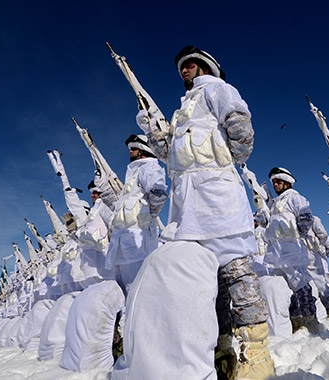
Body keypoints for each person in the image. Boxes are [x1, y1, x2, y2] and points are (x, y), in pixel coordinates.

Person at [128, 45, 274, 379]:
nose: (185, 69)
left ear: (205, 66)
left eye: (191, 64)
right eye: (182, 66)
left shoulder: (218, 89)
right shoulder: (181, 112)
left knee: (236, 273)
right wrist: (154, 127)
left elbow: (240, 130)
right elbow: (168, 155)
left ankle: (258, 354)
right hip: (186, 207)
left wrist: (226, 165)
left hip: (217, 195)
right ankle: (221, 349)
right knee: (207, 282)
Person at [105, 134, 167, 295]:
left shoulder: (149, 167)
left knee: (138, 289)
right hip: (122, 243)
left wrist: (150, 216)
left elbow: (158, 192)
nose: (130, 151)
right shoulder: (133, 172)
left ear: (143, 149)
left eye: (134, 148)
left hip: (138, 240)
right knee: (122, 291)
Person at [261, 167, 319, 332]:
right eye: (274, 182)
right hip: (276, 254)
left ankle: (310, 319)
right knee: (285, 289)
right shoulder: (274, 203)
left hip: (291, 251)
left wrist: (297, 235)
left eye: (278, 182)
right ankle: (294, 320)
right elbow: (265, 222)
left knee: (301, 286)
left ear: (286, 183)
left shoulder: (295, 197)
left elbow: (306, 216)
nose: (276, 185)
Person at [305, 215, 329, 318]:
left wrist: (324, 248)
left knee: (323, 283)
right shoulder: (290, 220)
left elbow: (324, 236)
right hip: (301, 257)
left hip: (316, 255)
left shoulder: (313, 219)